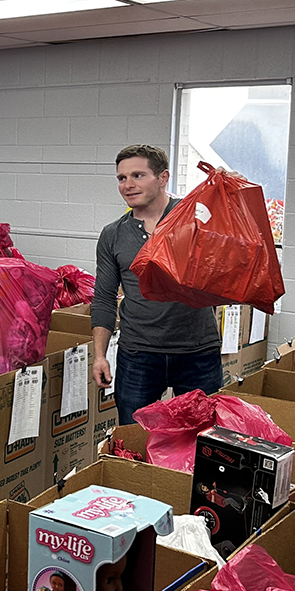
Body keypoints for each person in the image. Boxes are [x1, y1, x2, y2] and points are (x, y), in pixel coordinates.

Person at [91, 144, 221, 426]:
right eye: (121, 178)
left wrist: (227, 189)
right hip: (138, 354)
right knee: (135, 440)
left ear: (163, 178)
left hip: (197, 352)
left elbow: (229, 237)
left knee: (206, 440)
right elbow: (103, 297)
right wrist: (99, 355)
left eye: (138, 175)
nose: (128, 185)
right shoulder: (113, 235)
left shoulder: (194, 219)